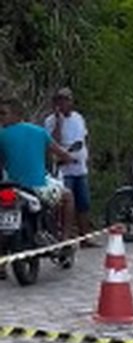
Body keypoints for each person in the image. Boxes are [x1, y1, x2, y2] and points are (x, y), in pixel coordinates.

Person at [0, 97, 77, 280]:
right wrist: (69, 158)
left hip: (10, 187)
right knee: (68, 197)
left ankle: (2, 265)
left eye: (3, 113)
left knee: (3, 220)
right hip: (38, 186)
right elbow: (60, 152)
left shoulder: (1, 135)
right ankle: (65, 239)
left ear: (16, 114)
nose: (1, 117)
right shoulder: (39, 132)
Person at [45, 87, 99, 247]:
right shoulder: (50, 121)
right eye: (60, 100)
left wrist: (86, 155)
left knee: (84, 203)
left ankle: (85, 237)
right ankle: (64, 237)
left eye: (66, 100)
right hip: (63, 170)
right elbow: (52, 142)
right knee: (64, 204)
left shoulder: (78, 118)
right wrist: (59, 122)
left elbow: (84, 138)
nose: (63, 103)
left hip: (80, 167)